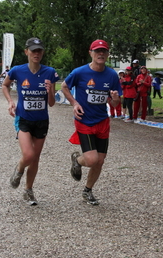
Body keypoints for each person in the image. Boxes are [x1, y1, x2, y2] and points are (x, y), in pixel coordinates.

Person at [61, 39, 122, 205]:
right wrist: (74, 103)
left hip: (102, 121)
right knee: (92, 159)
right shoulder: (80, 72)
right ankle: (78, 160)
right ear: (91, 53)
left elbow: (114, 103)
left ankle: (87, 190)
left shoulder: (111, 75)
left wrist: (115, 99)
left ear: (108, 54)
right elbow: (64, 87)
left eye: (104, 51)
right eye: (97, 51)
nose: (100, 54)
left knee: (100, 161)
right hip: (84, 120)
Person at [2, 37, 59, 205]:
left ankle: (28, 190)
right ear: (26, 51)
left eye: (39, 50)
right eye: (33, 50)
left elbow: (52, 103)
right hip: (24, 118)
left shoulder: (49, 72)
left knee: (35, 158)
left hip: (42, 120)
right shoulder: (17, 71)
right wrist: (10, 102)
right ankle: (19, 169)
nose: (36, 53)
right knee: (29, 154)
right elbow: (5, 85)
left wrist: (49, 91)